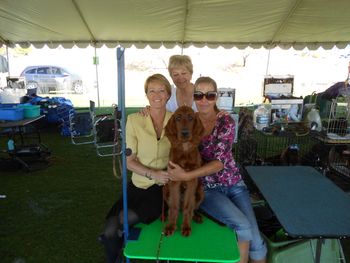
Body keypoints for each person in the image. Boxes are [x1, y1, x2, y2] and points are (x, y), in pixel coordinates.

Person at [167, 76, 267, 263]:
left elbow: (220, 162)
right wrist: (148, 110)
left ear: (216, 96)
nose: (204, 100)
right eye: (199, 95)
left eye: (210, 95)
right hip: (208, 188)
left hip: (234, 184)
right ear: (194, 97)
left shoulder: (225, 121)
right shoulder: (191, 120)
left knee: (256, 241)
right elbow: (169, 122)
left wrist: (186, 175)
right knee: (243, 226)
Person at [99, 73, 172, 263]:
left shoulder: (176, 120)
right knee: (109, 232)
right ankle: (116, 256)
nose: (157, 94)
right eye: (152, 90)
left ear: (168, 94)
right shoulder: (134, 120)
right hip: (137, 185)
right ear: (146, 95)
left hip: (162, 189)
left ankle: (121, 247)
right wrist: (152, 173)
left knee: (124, 220)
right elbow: (129, 161)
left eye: (161, 90)